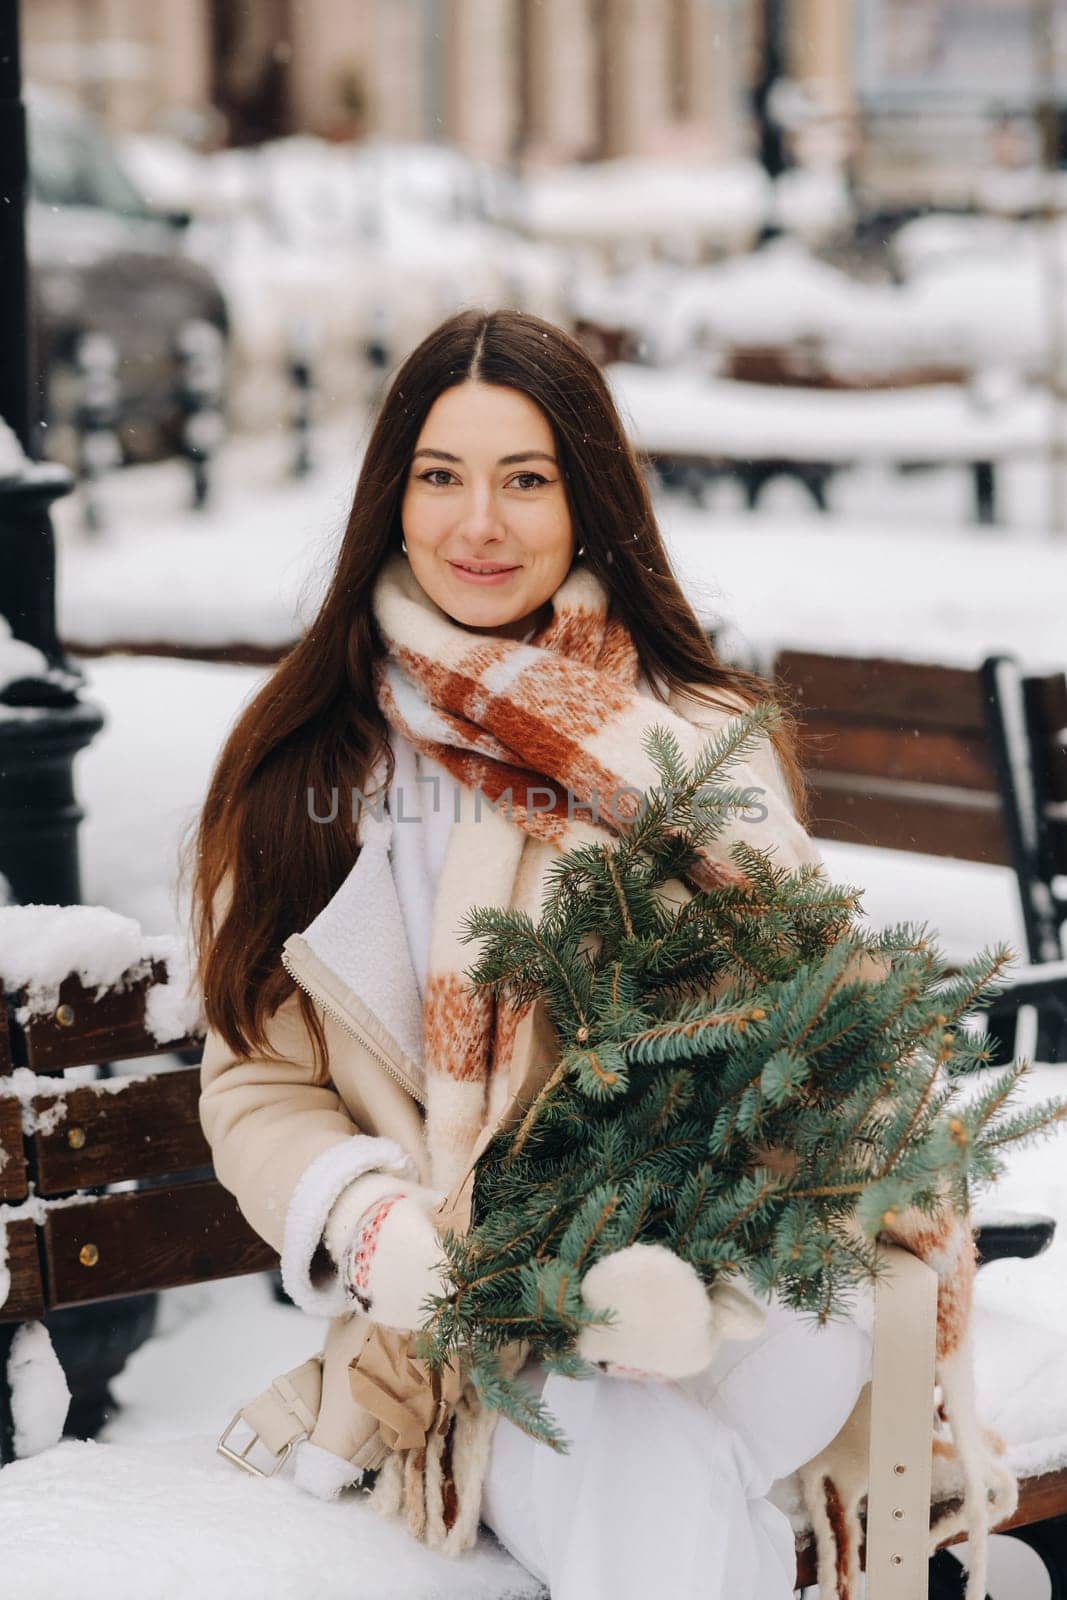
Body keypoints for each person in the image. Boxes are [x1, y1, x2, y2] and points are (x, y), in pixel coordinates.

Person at [190, 307, 872, 1600]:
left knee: (662, 1406)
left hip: (761, 1282)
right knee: (642, 1449)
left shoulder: (689, 739)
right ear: (391, 499)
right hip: (486, 1323)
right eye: (440, 477)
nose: (478, 526)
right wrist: (371, 1218)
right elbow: (256, 1081)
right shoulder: (309, 770)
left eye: (526, 481)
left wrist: (682, 1246)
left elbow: (811, 1042)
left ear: (589, 504)